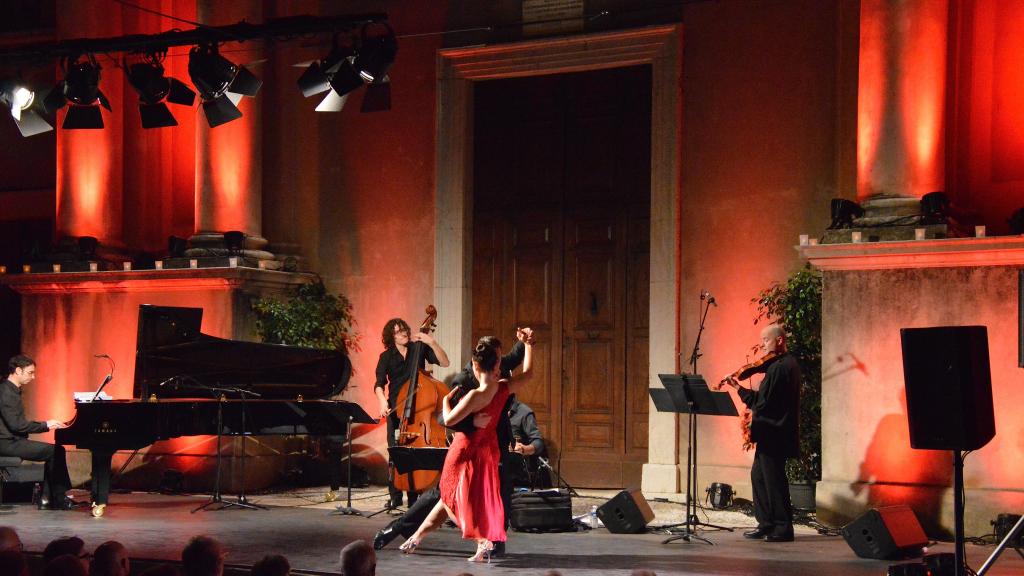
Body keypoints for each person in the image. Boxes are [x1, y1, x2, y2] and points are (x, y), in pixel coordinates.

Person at [372, 329, 533, 552]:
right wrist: (471, 422)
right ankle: (398, 528)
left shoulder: (498, 366)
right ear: (482, 361)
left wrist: (526, 341)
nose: (501, 361)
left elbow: (517, 356)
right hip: (469, 445)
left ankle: (496, 541)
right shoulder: (464, 380)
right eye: (498, 357)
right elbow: (443, 417)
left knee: (501, 488)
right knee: (442, 495)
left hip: (495, 442)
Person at [718, 324, 801, 542]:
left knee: (774, 481)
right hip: (772, 432)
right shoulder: (782, 364)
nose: (762, 345)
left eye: (766, 340)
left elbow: (761, 404)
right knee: (760, 477)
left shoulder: (779, 368)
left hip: (774, 432)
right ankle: (767, 524)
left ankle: (783, 528)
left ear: (780, 340)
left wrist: (737, 388)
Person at [374, 318, 450, 509]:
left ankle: (415, 496)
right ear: (391, 337)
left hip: (419, 410)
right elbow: (379, 384)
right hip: (397, 410)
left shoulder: (419, 348)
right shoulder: (386, 357)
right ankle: (395, 496)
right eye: (398, 332)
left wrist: (431, 341)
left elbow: (445, 362)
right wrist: (383, 402)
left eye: (405, 330)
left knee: (415, 453)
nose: (403, 333)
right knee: (396, 453)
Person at [0, 355, 73, 510]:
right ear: (18, 371)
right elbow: (17, 426)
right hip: (6, 443)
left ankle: (48, 498)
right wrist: (45, 425)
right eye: (30, 373)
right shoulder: (6, 392)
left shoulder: (11, 390)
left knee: (55, 451)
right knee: (55, 452)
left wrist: (45, 424)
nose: (33, 377)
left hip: (12, 440)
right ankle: (56, 498)